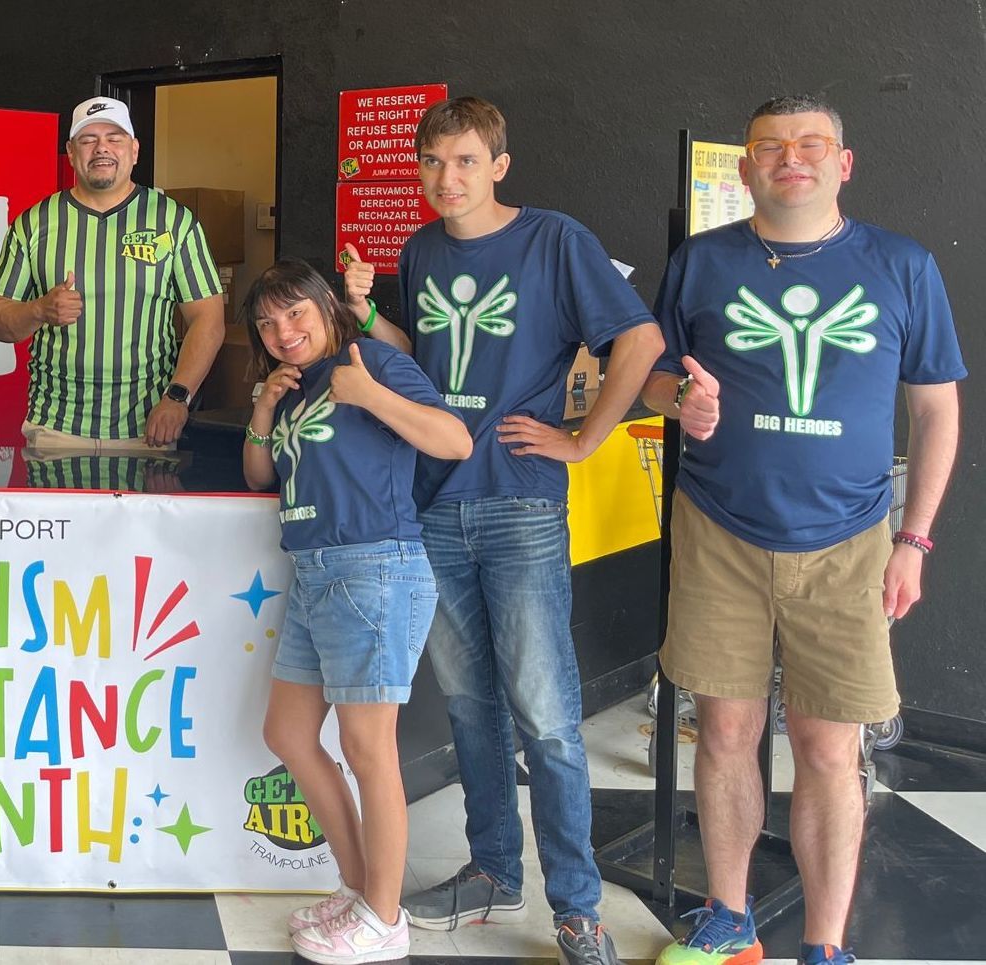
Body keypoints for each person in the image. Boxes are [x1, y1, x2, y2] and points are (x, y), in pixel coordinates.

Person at [644, 95, 965, 965]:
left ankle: (825, 945)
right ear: (744, 168)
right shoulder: (701, 262)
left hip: (852, 540)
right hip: (718, 531)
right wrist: (683, 402)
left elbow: (936, 409)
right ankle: (728, 918)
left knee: (829, 748)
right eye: (771, 147)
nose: (792, 157)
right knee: (722, 734)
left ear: (842, 163)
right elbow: (653, 379)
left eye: (811, 144)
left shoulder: (901, 266)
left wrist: (915, 537)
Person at [357, 96, 664, 965]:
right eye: (430, 163)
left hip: (521, 501)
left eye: (462, 161)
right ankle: (493, 870)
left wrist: (582, 438)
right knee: (468, 704)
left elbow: (635, 341)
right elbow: (418, 357)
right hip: (433, 501)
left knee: (547, 713)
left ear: (497, 164)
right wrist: (360, 315)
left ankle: (576, 905)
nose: (443, 179)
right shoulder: (417, 251)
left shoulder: (554, 239)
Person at [243, 259, 470, 964]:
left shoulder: (367, 359)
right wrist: (260, 410)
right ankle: (357, 887)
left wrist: (368, 392)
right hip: (313, 574)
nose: (284, 331)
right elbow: (260, 476)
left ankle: (383, 913)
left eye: (295, 313)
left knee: (369, 751)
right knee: (287, 732)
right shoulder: (291, 388)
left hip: (374, 567)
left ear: (324, 306)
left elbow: (454, 441)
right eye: (268, 323)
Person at [0, 96, 225, 452]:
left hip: (148, 427)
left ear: (135, 149)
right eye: (88, 139)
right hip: (56, 427)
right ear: (70, 151)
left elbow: (208, 319)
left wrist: (177, 398)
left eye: (114, 137)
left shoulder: (174, 221)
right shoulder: (34, 223)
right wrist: (39, 310)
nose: (102, 148)